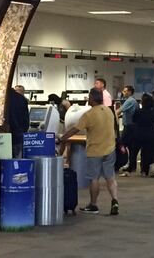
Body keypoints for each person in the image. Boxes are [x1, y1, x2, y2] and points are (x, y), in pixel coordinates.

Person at [57, 88, 119, 216]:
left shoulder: (89, 115)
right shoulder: (108, 111)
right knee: (110, 177)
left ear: (92, 98)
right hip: (110, 148)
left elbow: (75, 129)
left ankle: (93, 205)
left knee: (94, 179)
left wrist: (62, 139)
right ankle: (115, 201)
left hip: (95, 151)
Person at [131, 93, 154, 176]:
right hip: (149, 134)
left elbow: (134, 120)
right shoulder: (153, 112)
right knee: (146, 153)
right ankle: (145, 170)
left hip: (138, 133)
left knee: (134, 151)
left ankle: (131, 167)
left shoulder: (138, 111)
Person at [118, 85, 139, 176]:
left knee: (121, 144)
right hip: (132, 127)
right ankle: (132, 165)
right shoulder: (131, 101)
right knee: (131, 147)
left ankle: (122, 162)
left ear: (130, 92)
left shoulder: (130, 101)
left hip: (130, 127)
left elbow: (119, 111)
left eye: (125, 91)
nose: (124, 92)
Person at [7, 85, 30, 158]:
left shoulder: (3, 98)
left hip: (4, 137)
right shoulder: (22, 99)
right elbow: (26, 121)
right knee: (18, 162)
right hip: (18, 137)